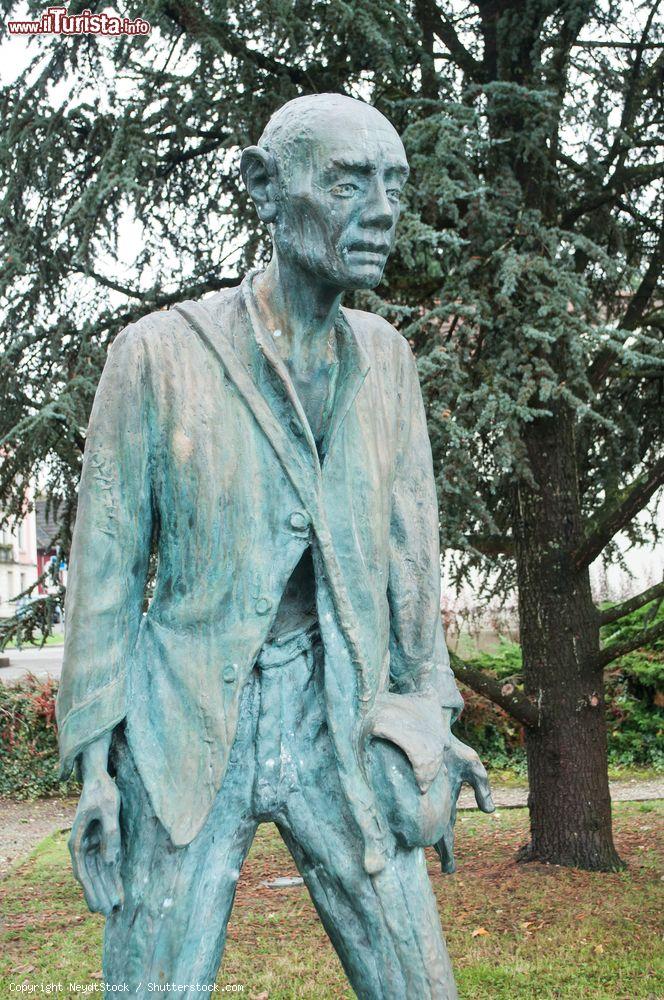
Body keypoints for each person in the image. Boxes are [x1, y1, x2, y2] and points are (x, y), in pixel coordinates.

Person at [56, 93, 493, 999]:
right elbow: (103, 567)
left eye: (395, 188)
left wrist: (429, 719)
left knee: (418, 982)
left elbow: (414, 558)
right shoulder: (157, 357)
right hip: (185, 720)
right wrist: (95, 764)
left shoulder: (388, 363)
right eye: (348, 184)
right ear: (264, 186)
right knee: (153, 982)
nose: (381, 211)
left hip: (342, 712)